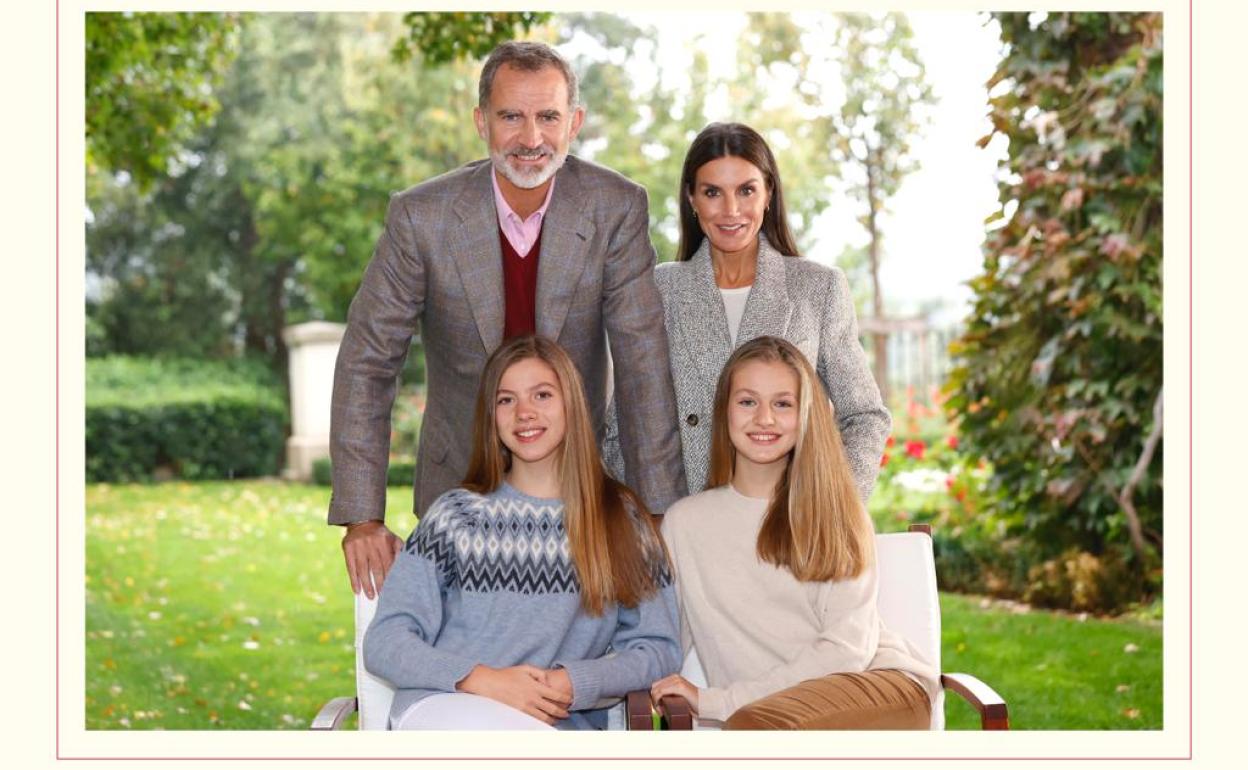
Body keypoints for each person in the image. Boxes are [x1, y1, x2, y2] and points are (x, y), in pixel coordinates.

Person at [330, 41, 686, 599]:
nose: (531, 138)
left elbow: (643, 360)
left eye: (548, 117)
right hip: (458, 486)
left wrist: (659, 510)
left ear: (574, 123)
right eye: (511, 117)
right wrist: (362, 516)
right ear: (482, 122)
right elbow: (367, 361)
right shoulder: (421, 217)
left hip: (579, 489)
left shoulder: (615, 207)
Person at [364, 335, 680, 730]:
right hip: (447, 708)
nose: (524, 413)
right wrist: (484, 681)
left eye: (542, 395)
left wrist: (574, 682)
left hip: (553, 724)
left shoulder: (620, 519)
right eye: (506, 400)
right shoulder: (455, 516)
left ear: (572, 405)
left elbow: (658, 649)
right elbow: (386, 641)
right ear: (491, 416)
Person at [650, 337, 937, 729]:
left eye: (782, 404)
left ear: (805, 414)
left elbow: (847, 651)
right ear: (725, 411)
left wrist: (720, 701)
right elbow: (663, 639)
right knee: (756, 729)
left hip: (879, 686)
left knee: (754, 730)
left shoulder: (837, 511)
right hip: (766, 715)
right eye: (747, 401)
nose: (764, 418)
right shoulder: (685, 524)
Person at [605, 122, 889, 497]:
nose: (731, 210)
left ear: (768, 192)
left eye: (746, 190)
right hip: (686, 519)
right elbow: (622, 426)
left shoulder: (818, 288)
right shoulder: (659, 290)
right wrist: (654, 516)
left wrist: (831, 508)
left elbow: (864, 415)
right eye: (712, 192)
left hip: (790, 517)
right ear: (691, 198)